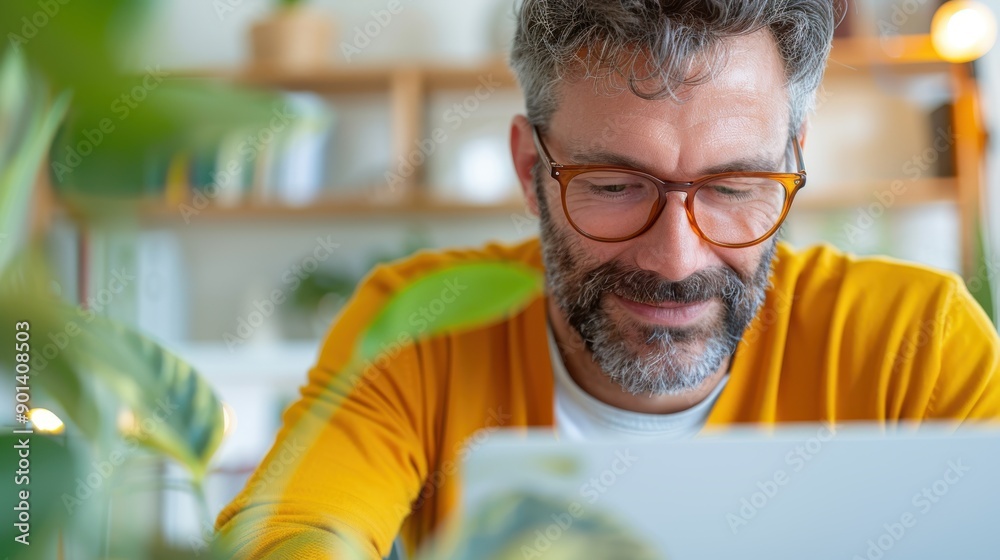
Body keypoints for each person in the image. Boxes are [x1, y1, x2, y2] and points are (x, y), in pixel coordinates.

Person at [215, 1, 1000, 558]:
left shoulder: (917, 344)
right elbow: (291, 532)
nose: (676, 259)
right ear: (532, 171)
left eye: (732, 189)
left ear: (793, 164)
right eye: (615, 184)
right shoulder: (423, 324)